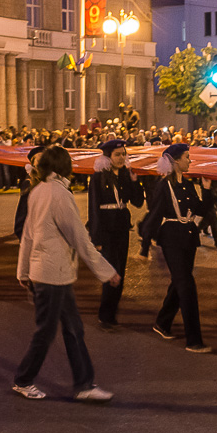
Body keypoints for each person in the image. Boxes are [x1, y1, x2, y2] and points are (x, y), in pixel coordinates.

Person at [13, 145, 120, 402]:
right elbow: (79, 237)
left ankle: (84, 384)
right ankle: (23, 379)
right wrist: (106, 271)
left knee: (72, 329)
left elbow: (27, 234)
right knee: (48, 332)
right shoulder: (60, 194)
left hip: (48, 272)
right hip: (53, 274)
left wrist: (24, 269)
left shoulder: (38, 191)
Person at [139, 144, 215, 353]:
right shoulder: (164, 186)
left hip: (188, 238)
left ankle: (162, 323)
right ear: (175, 161)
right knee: (186, 285)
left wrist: (207, 190)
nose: (190, 161)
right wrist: (144, 248)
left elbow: (200, 209)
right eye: (187, 157)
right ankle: (194, 340)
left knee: (179, 282)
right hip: (172, 237)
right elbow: (153, 216)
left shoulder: (188, 184)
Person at [88, 138, 145, 329]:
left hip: (122, 227)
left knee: (120, 270)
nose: (121, 158)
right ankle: (105, 314)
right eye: (117, 155)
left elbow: (137, 202)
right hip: (106, 228)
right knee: (111, 271)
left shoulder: (125, 175)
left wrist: (136, 182)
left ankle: (112, 312)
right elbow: (93, 208)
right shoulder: (98, 177)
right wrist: (96, 238)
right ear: (108, 156)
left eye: (123, 154)